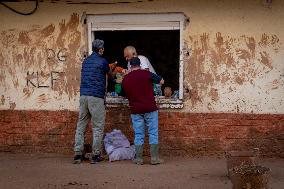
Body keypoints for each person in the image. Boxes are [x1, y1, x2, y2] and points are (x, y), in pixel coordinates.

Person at [73, 39, 115, 164]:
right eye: (103, 48)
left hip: (83, 96)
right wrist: (112, 69)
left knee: (81, 126)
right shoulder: (103, 61)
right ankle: (96, 155)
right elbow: (111, 76)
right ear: (101, 49)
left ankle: (78, 154)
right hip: (96, 97)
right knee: (97, 127)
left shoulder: (86, 61)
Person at [121, 57, 164, 165]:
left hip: (136, 110)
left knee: (139, 134)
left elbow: (121, 93)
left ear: (130, 66)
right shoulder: (146, 74)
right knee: (153, 133)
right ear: (140, 64)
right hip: (150, 108)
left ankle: (139, 159)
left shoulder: (126, 78)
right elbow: (161, 81)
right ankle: (154, 158)